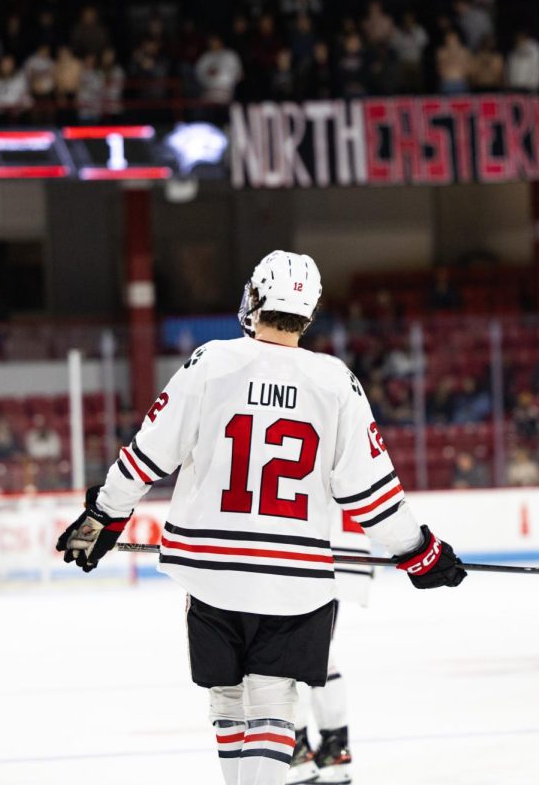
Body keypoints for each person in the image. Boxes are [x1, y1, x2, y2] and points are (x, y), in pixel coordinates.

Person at [56, 250, 467, 785]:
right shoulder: (336, 382)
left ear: (255, 298)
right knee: (275, 705)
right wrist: (420, 553)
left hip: (212, 573)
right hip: (293, 580)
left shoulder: (211, 362)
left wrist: (104, 516)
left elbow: (145, 456)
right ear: (310, 311)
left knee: (229, 702)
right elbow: (372, 496)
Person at [288, 512, 373, 784]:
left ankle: (296, 750)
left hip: (314, 556)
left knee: (291, 657)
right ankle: (334, 750)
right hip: (342, 554)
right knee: (319, 655)